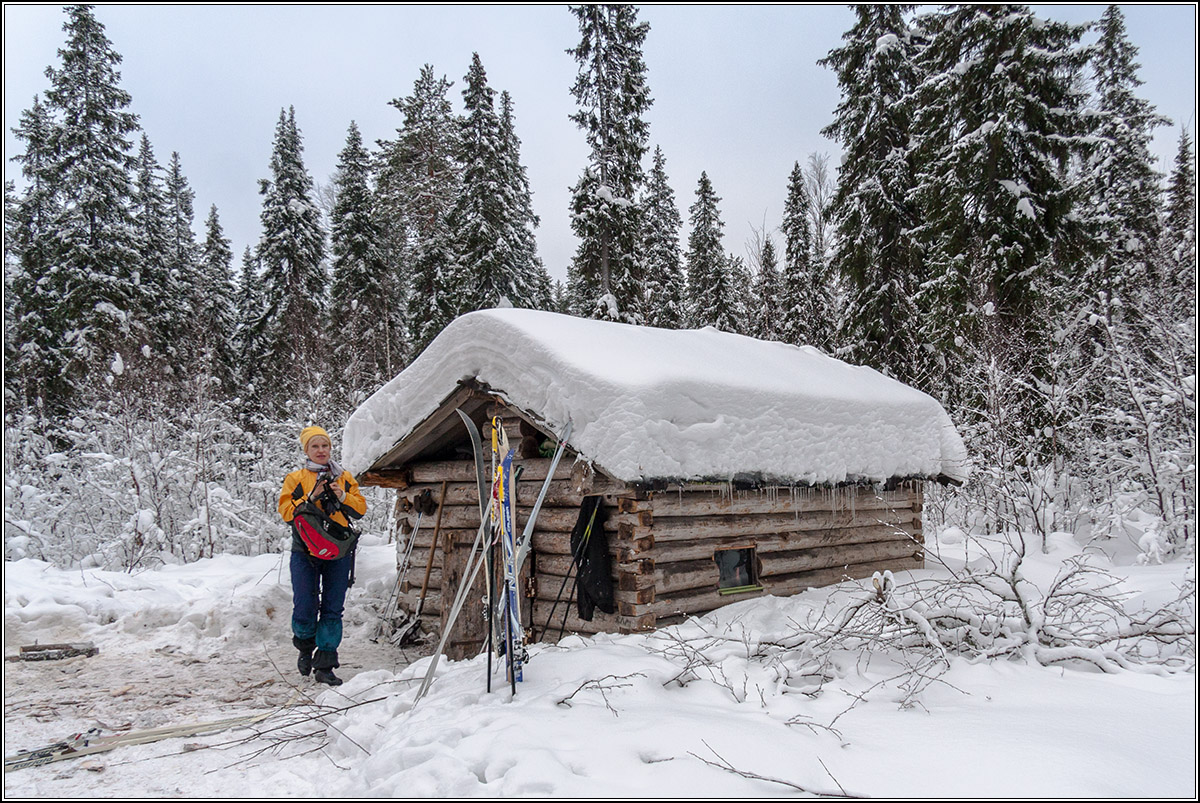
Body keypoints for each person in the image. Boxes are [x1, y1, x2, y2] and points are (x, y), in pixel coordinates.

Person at [278, 426, 367, 686]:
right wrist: (311, 497)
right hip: (304, 550)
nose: (321, 451)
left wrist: (343, 495)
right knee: (304, 604)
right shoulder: (295, 479)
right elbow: (286, 512)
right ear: (306, 450)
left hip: (337, 550)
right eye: (315, 446)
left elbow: (360, 509)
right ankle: (305, 647)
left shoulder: (344, 478)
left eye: (324, 446)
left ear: (330, 448)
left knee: (332, 608)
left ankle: (325, 664)